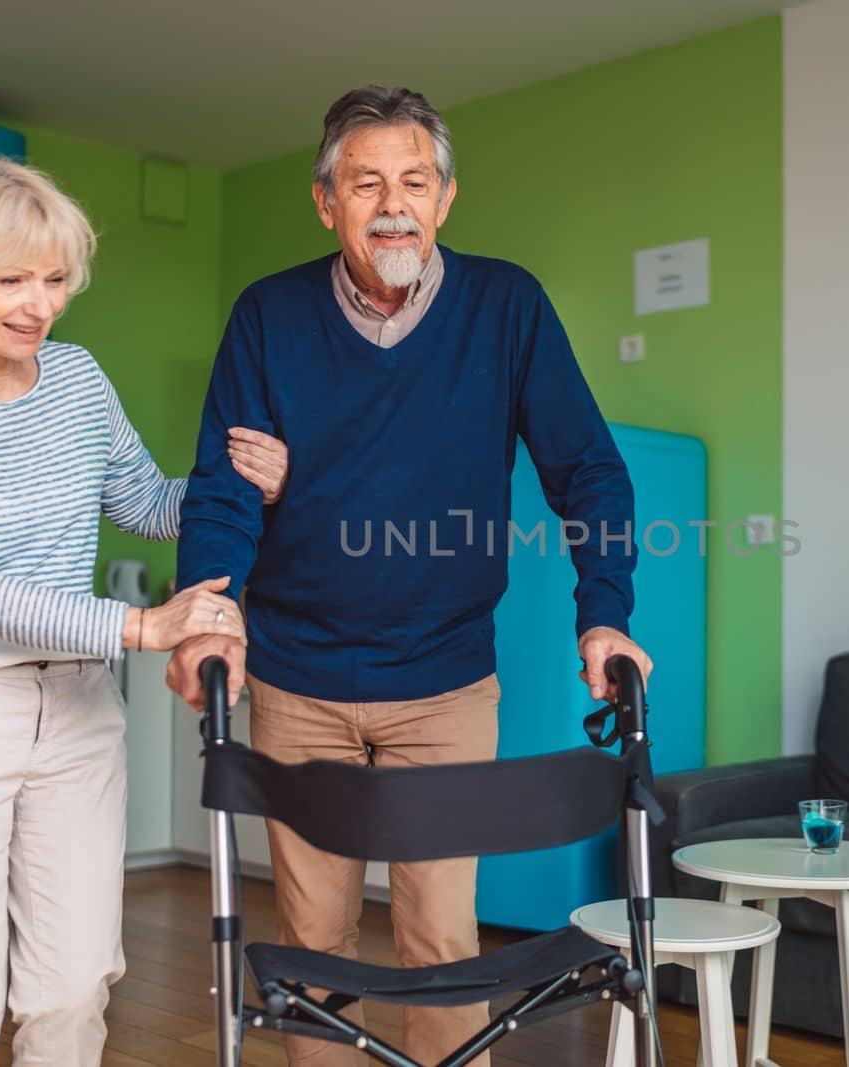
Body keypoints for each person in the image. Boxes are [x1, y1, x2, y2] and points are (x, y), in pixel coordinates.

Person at [167, 85, 654, 1067]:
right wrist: (207, 613)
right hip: (297, 678)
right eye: (364, 182)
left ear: (444, 197)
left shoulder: (506, 305)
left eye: (413, 181)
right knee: (316, 948)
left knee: (442, 942)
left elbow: (587, 470)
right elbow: (224, 489)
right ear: (325, 201)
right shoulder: (270, 316)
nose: (391, 202)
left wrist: (603, 614)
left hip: (445, 683)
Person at [0, 152, 290, 1066]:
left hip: (77, 707)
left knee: (76, 989)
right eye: (11, 278)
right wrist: (142, 626)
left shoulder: (77, 378)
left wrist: (244, 488)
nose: (38, 303)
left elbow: (141, 500)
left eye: (54, 279)